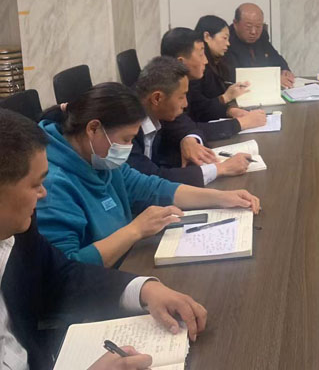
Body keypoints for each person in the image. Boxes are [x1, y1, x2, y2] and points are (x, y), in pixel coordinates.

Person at [0, 109, 207, 370]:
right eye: (34, 185)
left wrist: (144, 290)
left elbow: (62, 276)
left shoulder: (18, 230)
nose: (43, 194)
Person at [36, 83, 261, 267]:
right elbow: (66, 269)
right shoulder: (51, 185)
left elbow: (152, 188)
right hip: (96, 290)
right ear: (93, 129)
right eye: (125, 139)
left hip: (128, 262)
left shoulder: (98, 158)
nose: (127, 148)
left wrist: (221, 198)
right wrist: (135, 230)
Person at [129, 57, 251, 187]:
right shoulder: (126, 127)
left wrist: (189, 139)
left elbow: (186, 124)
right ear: (157, 98)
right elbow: (152, 179)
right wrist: (220, 169)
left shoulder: (156, 108)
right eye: (181, 97)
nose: (185, 104)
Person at [161, 27, 267, 142]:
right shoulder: (167, 91)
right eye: (201, 54)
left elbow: (200, 108)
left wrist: (229, 111)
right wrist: (243, 123)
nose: (206, 61)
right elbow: (187, 129)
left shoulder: (188, 81)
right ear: (181, 62)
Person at [224, 3, 295, 88]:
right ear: (235, 23)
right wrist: (273, 79)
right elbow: (234, 76)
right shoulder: (226, 41)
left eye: (258, 26)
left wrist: (285, 71)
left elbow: (276, 58)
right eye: (248, 26)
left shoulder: (262, 36)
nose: (253, 32)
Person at [194, 15, 252, 118]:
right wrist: (226, 97)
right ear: (207, 37)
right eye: (224, 38)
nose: (228, 43)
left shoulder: (221, 61)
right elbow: (197, 108)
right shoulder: (196, 66)